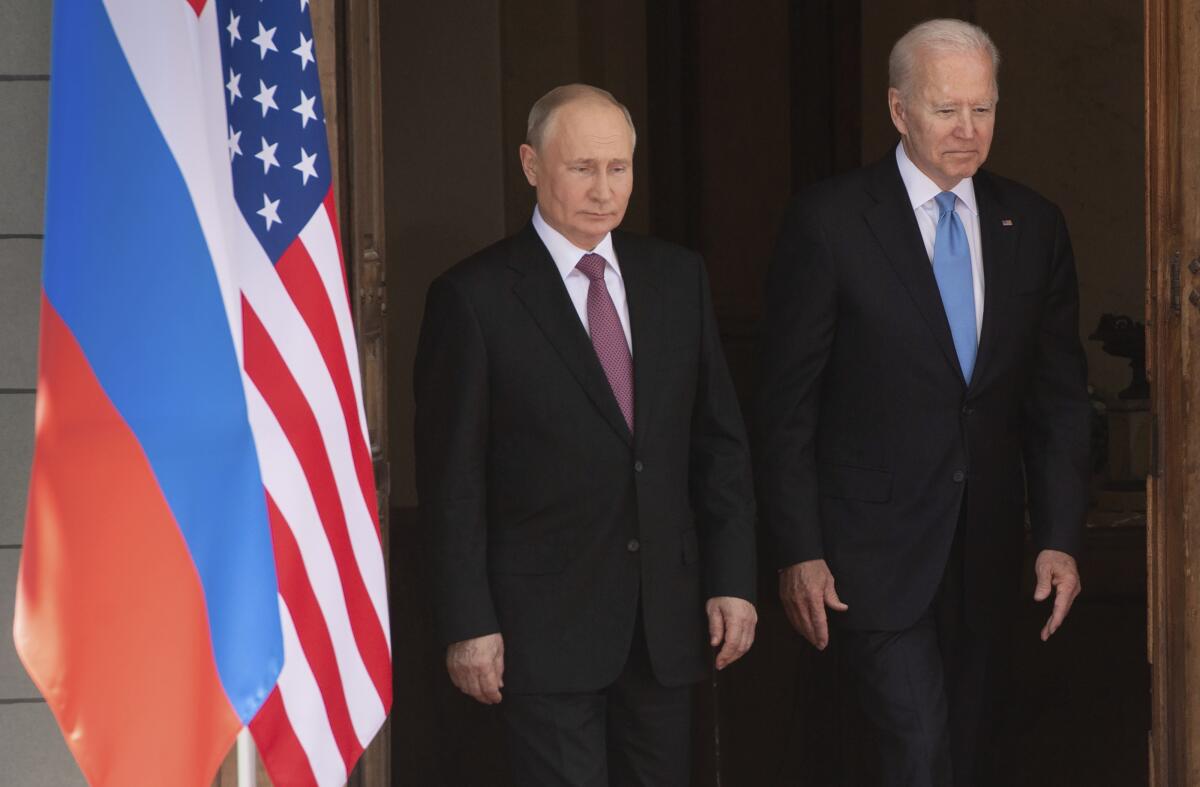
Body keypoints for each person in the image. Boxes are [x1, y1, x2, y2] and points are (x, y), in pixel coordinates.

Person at [756, 19, 1090, 786]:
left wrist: (1061, 534)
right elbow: (786, 405)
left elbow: (1058, 399)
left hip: (990, 553)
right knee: (917, 748)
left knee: (969, 755)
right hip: (868, 555)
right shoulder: (830, 222)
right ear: (899, 110)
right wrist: (798, 549)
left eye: (984, 109)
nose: (968, 131)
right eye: (947, 110)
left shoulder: (1032, 224)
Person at [414, 83, 758, 786]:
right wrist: (466, 620)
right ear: (532, 165)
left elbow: (717, 445)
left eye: (619, 168)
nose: (604, 190)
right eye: (582, 168)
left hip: (663, 624)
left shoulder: (676, 277)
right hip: (540, 628)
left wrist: (732, 579)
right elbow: (453, 478)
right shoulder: (474, 298)